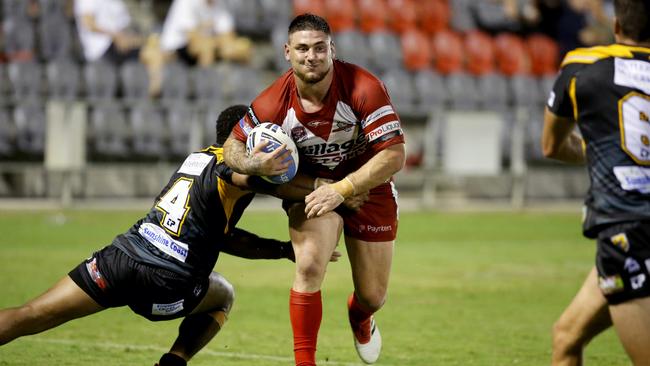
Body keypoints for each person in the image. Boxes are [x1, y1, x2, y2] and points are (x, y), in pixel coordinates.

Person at [0, 105, 341, 366]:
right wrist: (325, 186)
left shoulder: (196, 157)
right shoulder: (231, 166)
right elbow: (239, 177)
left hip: (121, 257)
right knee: (222, 293)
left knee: (32, 313)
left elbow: (224, 236)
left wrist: (283, 250)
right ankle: (174, 362)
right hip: (168, 281)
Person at [223, 13, 406, 365]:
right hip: (312, 190)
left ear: (332, 50)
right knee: (308, 265)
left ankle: (361, 317)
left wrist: (345, 187)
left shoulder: (363, 87)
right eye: (303, 48)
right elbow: (232, 146)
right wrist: (254, 164)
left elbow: (395, 155)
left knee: (373, 296)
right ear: (287, 52)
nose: (312, 56)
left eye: (320, 48)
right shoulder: (272, 101)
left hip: (366, 186)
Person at [542, 0, 650, 364]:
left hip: (629, 229)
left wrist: (598, 147)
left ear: (617, 26)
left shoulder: (583, 65)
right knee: (566, 337)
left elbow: (551, 145)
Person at [74, 0, 144, 64]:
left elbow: (126, 24)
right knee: (147, 51)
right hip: (101, 47)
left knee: (150, 46)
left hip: (121, 42)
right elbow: (88, 23)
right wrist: (115, 36)